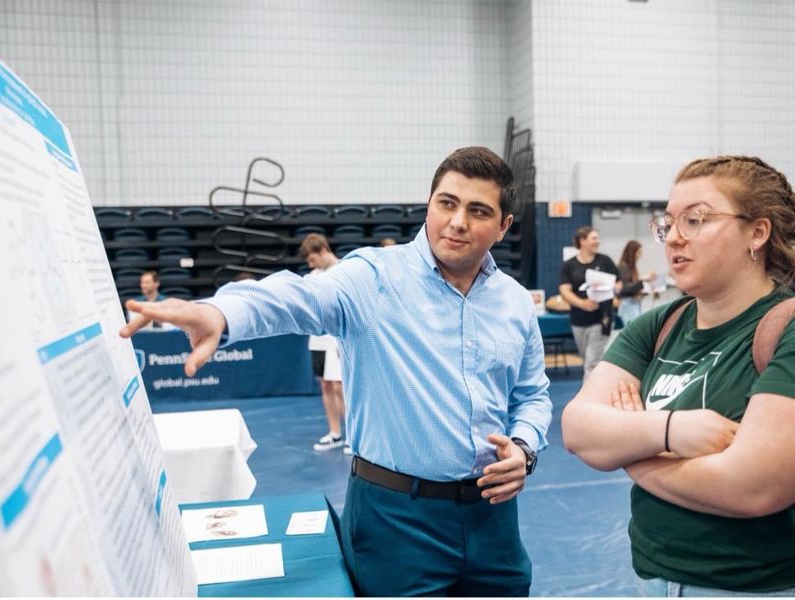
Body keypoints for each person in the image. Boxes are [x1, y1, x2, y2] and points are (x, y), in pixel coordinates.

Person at [121, 146, 551, 596]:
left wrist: (524, 447)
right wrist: (220, 314)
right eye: (447, 203)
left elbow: (532, 396)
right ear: (429, 205)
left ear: (503, 227)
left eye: (478, 210)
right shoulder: (373, 278)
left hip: (494, 517)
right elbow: (295, 298)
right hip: (398, 520)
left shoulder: (514, 302)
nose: (458, 221)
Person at [561, 155, 795, 596]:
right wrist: (670, 430)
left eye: (696, 220)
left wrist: (631, 450)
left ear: (758, 233)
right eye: (668, 224)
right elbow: (578, 428)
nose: (673, 239)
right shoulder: (660, 325)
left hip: (750, 587)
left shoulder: (785, 328)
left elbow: (754, 486)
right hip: (654, 579)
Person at [298, 233, 347, 453]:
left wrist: (341, 341)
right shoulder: (313, 276)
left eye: (312, 259)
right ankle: (335, 433)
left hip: (336, 339)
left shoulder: (344, 271)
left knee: (340, 387)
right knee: (325, 385)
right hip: (317, 340)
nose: (310, 264)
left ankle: (352, 437)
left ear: (323, 251)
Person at [558, 226, 620, 381]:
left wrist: (612, 289)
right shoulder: (569, 265)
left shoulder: (605, 261)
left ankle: (588, 398)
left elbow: (618, 284)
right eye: (594, 238)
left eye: (598, 238)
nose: (597, 241)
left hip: (601, 318)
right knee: (587, 357)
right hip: (578, 319)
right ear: (582, 241)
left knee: (591, 363)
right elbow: (564, 290)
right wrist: (581, 303)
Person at [616, 240, 656, 326]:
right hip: (627, 306)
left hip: (633, 304)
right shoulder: (623, 267)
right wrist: (643, 280)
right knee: (633, 332)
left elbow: (633, 288)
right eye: (638, 253)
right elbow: (625, 288)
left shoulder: (632, 268)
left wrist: (645, 290)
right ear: (632, 253)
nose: (640, 256)